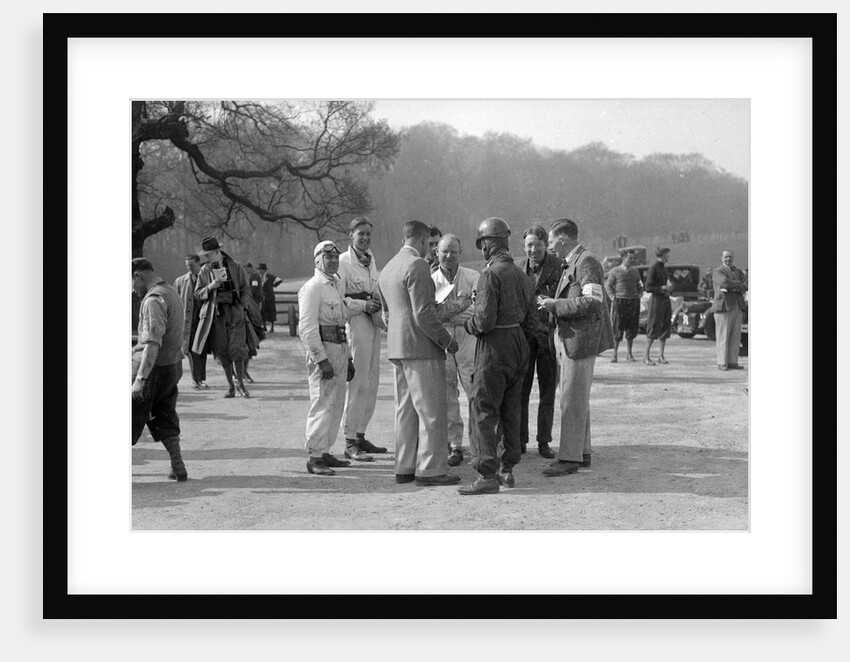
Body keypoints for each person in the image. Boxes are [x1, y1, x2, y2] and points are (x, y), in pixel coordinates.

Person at [377, 220, 461, 487]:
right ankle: (432, 470)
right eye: (432, 245)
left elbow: (388, 313)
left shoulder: (388, 268)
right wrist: (447, 340)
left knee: (405, 410)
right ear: (424, 240)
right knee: (431, 410)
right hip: (422, 347)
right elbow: (423, 313)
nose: (433, 250)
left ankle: (405, 466)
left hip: (398, 347)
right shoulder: (418, 265)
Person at [457, 217, 536, 495]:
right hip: (519, 345)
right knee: (511, 409)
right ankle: (507, 469)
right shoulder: (523, 276)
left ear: (487, 245)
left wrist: (467, 325)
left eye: (482, 244)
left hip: (494, 346)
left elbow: (484, 321)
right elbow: (531, 321)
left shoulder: (490, 275)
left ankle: (486, 474)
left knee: (483, 408)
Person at [537, 218, 614, 476]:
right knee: (578, 399)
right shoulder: (576, 262)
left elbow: (592, 301)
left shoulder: (586, 261)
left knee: (571, 399)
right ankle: (583, 451)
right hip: (574, 341)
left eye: (550, 243)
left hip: (579, 342)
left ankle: (569, 458)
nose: (549, 248)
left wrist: (555, 305)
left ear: (563, 239)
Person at [297, 241, 359, 476]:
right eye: (327, 257)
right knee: (322, 403)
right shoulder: (312, 288)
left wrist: (349, 358)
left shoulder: (335, 285)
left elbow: (342, 320)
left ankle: (325, 450)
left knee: (336, 404)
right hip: (324, 351)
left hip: (340, 349)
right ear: (317, 260)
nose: (333, 261)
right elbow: (308, 329)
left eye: (335, 257)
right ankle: (314, 456)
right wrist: (321, 359)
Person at [132, 258, 188, 482]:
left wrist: (140, 379)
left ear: (139, 276)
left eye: (132, 283)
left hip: (152, 370)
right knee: (165, 414)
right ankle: (178, 464)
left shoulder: (153, 300)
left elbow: (153, 343)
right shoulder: (171, 292)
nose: (133, 290)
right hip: (171, 367)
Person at [337, 217, 387, 459]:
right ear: (351, 235)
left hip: (373, 321)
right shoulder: (343, 262)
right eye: (361, 234)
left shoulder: (370, 259)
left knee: (372, 380)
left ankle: (360, 433)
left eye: (368, 234)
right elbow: (339, 299)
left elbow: (376, 289)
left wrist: (377, 305)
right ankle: (349, 441)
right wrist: (363, 304)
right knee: (357, 382)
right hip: (356, 322)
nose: (365, 238)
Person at [515, 225, 562, 458]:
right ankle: (520, 440)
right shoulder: (517, 269)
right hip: (524, 338)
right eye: (528, 245)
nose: (533, 250)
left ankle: (544, 441)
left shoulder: (559, 267)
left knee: (547, 393)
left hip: (548, 337)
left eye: (537, 244)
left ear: (546, 244)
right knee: (520, 391)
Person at [431, 233, 477, 467]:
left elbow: (478, 311)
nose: (449, 256)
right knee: (448, 393)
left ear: (461, 253)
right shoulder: (430, 280)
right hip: (443, 341)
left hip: (469, 337)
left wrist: (450, 312)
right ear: (436, 252)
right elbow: (432, 315)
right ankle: (454, 445)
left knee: (474, 389)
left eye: (453, 251)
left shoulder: (473, 277)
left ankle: (479, 443)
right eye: (444, 251)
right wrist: (462, 304)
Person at [192, 236, 252, 398]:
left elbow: (245, 289)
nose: (207, 258)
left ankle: (241, 384)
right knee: (222, 351)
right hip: (216, 316)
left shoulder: (235, 266)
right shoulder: (205, 271)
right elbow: (197, 294)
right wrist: (211, 287)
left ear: (217, 252)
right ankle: (231, 386)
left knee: (237, 349)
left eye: (209, 254)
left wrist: (242, 305)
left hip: (235, 312)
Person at [173, 254, 208, 389]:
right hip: (188, 322)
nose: (190, 268)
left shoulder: (206, 279)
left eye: (192, 265)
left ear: (199, 264)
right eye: (187, 266)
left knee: (201, 350)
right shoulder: (180, 281)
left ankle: (200, 378)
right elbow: (174, 301)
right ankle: (196, 379)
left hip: (203, 320)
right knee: (191, 351)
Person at [711, 249, 748, 371]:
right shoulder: (717, 271)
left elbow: (745, 284)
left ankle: (733, 361)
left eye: (730, 257)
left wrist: (735, 285)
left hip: (737, 305)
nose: (728, 259)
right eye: (726, 257)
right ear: (721, 258)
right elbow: (724, 282)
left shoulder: (737, 271)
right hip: (723, 306)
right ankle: (722, 362)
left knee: (735, 335)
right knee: (723, 335)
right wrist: (738, 284)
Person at [605, 247, 644, 363]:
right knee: (617, 328)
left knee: (632, 328)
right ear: (623, 258)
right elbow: (608, 286)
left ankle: (629, 354)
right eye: (629, 258)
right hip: (620, 301)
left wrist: (640, 294)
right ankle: (614, 354)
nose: (632, 260)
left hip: (633, 302)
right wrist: (612, 297)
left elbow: (640, 285)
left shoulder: (635, 272)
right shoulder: (614, 271)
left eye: (633, 258)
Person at [643, 246, 674, 365]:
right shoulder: (653, 268)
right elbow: (648, 287)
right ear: (662, 255)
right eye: (667, 255)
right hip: (656, 301)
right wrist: (661, 288)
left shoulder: (664, 269)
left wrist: (670, 289)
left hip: (665, 300)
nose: (668, 257)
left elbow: (670, 283)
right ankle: (646, 356)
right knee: (653, 325)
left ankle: (661, 355)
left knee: (665, 326)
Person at [257, 263, 282, 332]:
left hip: (270, 296)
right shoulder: (259, 277)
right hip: (263, 297)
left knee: (271, 311)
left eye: (260, 269)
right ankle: (264, 326)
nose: (259, 271)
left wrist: (274, 285)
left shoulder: (270, 276)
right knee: (263, 311)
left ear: (264, 270)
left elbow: (279, 280)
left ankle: (272, 327)